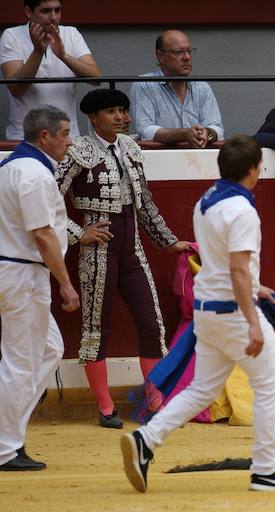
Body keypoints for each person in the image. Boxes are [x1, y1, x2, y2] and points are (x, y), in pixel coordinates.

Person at [121, 135, 275, 493]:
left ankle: (148, 438)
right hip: (235, 314)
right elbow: (237, 269)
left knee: (202, 388)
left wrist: (256, 287)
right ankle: (266, 471)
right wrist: (253, 320)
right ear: (256, 169)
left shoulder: (206, 201)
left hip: (207, 311)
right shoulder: (242, 211)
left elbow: (224, 264)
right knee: (269, 388)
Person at [56, 88, 190, 428]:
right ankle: (104, 407)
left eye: (124, 111)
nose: (123, 117)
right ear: (94, 117)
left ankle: (155, 402)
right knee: (96, 328)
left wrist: (169, 242)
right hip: (97, 252)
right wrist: (78, 233)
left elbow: (144, 204)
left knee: (151, 324)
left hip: (132, 249)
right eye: (114, 111)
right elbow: (46, 200)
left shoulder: (131, 148)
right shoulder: (78, 152)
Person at [0, 105, 79, 471]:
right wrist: (65, 283)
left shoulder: (11, 167)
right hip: (24, 275)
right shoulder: (33, 174)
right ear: (44, 136)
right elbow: (43, 233)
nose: (69, 140)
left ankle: (7, 432)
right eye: (64, 133)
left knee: (50, 348)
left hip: (16, 270)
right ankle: (4, 449)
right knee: (21, 362)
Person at [0, 0, 101, 139]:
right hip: (26, 138)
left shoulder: (71, 33)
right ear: (29, 12)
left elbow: (96, 78)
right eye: (46, 11)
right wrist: (38, 52)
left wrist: (64, 56)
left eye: (57, 10)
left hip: (67, 138)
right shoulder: (12, 35)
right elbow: (16, 89)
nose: (53, 17)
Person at [130, 30, 223, 147]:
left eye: (189, 51)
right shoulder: (144, 84)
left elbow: (217, 128)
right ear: (160, 56)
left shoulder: (201, 86)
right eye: (179, 52)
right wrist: (184, 134)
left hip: (198, 158)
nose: (187, 57)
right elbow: (145, 130)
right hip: (160, 158)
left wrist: (207, 133)